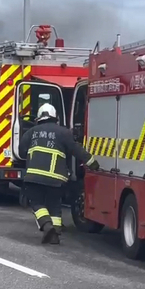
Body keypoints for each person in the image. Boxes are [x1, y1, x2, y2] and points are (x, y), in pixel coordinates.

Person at [18, 103, 100, 244]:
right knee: (54, 205)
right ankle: (55, 235)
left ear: (39, 117)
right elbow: (77, 150)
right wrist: (93, 162)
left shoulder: (31, 132)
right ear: (55, 117)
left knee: (36, 202)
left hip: (34, 177)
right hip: (56, 180)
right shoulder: (64, 133)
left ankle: (46, 225)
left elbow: (21, 152)